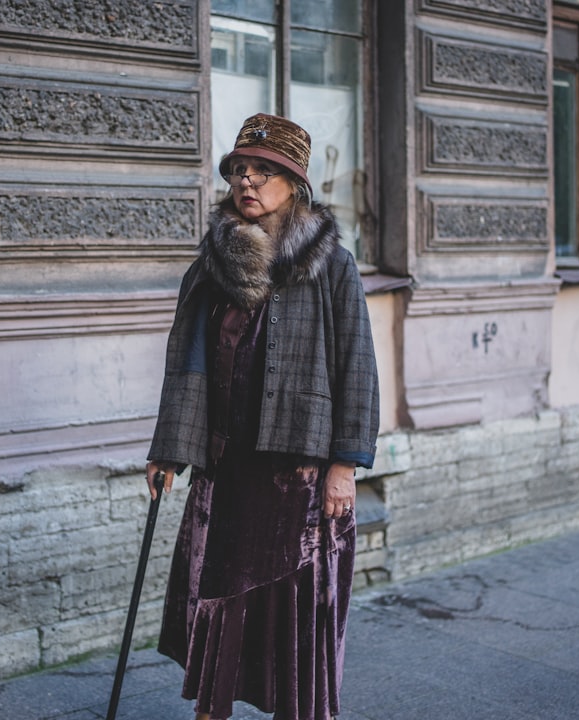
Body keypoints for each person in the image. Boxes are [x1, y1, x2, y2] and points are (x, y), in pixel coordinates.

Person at [146, 113, 379, 720]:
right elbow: (187, 362)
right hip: (227, 465)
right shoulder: (212, 266)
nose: (247, 180)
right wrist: (168, 450)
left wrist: (345, 467)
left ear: (294, 185)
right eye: (239, 170)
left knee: (293, 605)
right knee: (219, 594)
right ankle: (212, 710)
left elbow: (357, 367)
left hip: (297, 472)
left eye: (264, 170)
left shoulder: (332, 266)